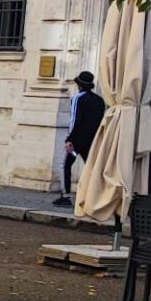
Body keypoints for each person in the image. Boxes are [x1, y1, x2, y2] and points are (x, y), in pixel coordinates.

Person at [53, 71, 106, 209]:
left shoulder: (77, 98)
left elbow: (74, 120)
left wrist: (69, 139)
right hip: (92, 140)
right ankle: (96, 197)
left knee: (66, 164)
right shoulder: (100, 101)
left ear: (79, 85)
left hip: (77, 141)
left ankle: (66, 196)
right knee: (92, 167)